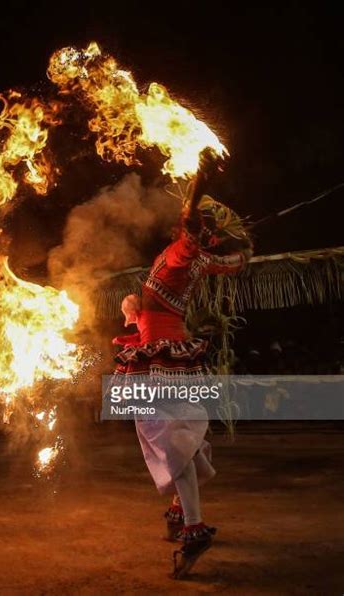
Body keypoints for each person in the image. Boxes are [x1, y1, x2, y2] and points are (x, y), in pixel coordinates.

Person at [112, 185, 252, 578]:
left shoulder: (181, 255)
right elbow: (233, 263)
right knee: (176, 439)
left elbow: (189, 248)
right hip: (168, 357)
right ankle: (181, 509)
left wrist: (195, 221)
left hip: (164, 361)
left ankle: (193, 526)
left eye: (193, 227)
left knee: (173, 441)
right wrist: (243, 252)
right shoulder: (194, 258)